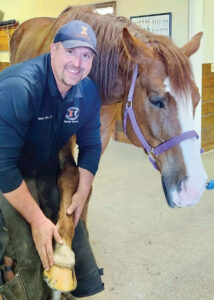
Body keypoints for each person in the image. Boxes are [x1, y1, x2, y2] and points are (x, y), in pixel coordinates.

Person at [0, 20, 104, 299]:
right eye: (71, 51)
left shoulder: (88, 92)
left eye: (86, 56)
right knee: (25, 239)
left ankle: (65, 283)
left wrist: (82, 191)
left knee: (69, 222)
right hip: (6, 164)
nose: (77, 63)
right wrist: (36, 221)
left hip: (42, 159)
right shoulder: (19, 88)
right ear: (53, 50)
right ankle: (14, 281)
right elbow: (4, 168)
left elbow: (92, 145)